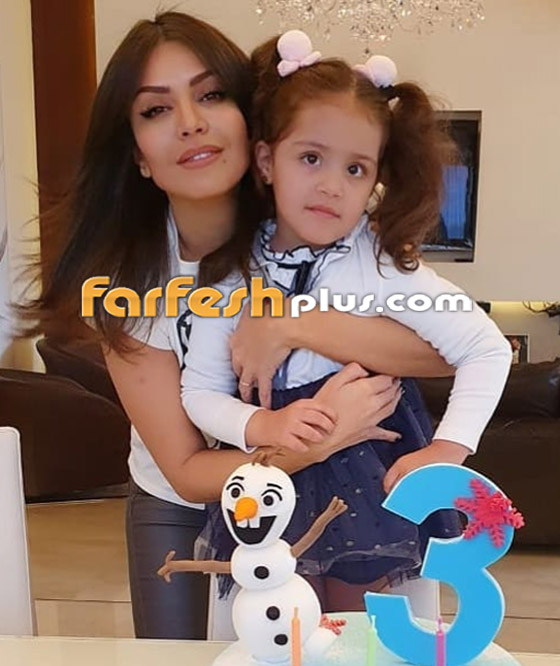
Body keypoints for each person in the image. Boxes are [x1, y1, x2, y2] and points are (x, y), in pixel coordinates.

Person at [22, 13, 455, 639]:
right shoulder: (126, 284)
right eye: (155, 110)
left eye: (210, 95)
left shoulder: (322, 213)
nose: (190, 122)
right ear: (137, 155)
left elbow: (444, 347)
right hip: (188, 501)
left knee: (365, 649)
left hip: (352, 490)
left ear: (252, 122)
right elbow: (185, 467)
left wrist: (292, 325)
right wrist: (315, 441)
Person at [180, 32, 513, 610]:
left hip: (369, 477)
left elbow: (486, 348)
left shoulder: (383, 264)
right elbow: (199, 393)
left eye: (356, 169)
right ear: (267, 161)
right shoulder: (228, 275)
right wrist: (263, 426)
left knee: (358, 635)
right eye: (311, 158)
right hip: (272, 479)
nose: (332, 185)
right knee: (282, 627)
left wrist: (448, 449)